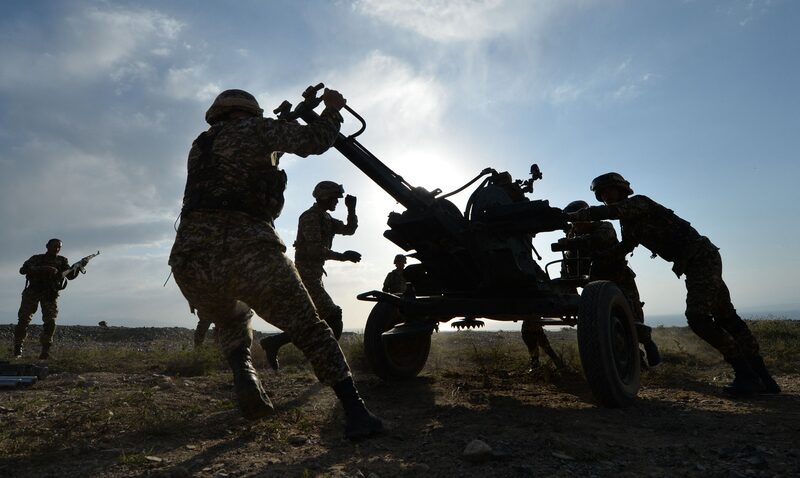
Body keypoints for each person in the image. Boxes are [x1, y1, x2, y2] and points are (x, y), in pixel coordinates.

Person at [168, 88, 383, 439]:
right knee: (311, 327)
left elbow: (258, 151)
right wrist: (331, 110)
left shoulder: (201, 145)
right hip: (247, 248)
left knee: (232, 317)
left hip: (190, 260)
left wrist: (290, 118)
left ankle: (245, 373)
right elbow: (314, 140)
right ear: (250, 112)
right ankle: (357, 414)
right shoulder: (256, 130)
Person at [567, 172, 780, 396]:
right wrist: (597, 257)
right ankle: (764, 379)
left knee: (698, 318)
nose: (605, 197)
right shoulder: (626, 223)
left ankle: (746, 375)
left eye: (608, 191)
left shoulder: (639, 202)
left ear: (620, 189)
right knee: (727, 318)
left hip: (700, 258)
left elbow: (612, 211)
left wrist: (585, 213)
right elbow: (626, 247)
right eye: (601, 195)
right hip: (695, 262)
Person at [260, 181, 361, 370]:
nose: (337, 202)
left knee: (312, 321)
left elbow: (349, 229)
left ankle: (274, 343)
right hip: (306, 275)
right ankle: (328, 361)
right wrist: (343, 257)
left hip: (314, 275)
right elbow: (315, 250)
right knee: (333, 317)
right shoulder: (310, 217)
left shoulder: (326, 219)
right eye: (335, 198)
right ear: (324, 197)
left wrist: (351, 209)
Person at [559, 200, 661, 367]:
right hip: (596, 291)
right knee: (609, 328)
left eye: (578, 219)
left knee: (633, 321)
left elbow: (600, 239)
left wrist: (572, 243)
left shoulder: (604, 227)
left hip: (620, 283)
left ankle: (648, 346)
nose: (575, 224)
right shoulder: (573, 242)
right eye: (573, 221)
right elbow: (568, 272)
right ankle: (634, 362)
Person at [14, 239, 81, 360]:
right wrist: (44, 269)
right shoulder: (36, 258)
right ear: (47, 246)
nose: (56, 249)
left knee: (50, 322)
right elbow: (23, 270)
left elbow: (69, 276)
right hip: (32, 292)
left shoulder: (62, 260)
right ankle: (18, 349)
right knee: (23, 320)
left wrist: (78, 268)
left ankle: (45, 350)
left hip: (50, 294)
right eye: (54, 246)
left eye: (59, 247)